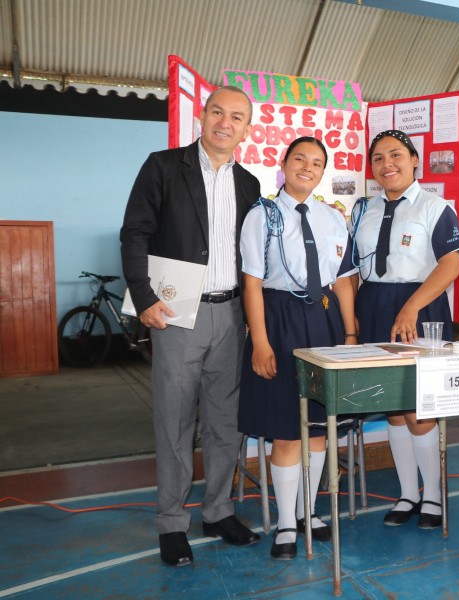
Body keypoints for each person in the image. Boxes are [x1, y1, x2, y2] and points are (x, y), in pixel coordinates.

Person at [120, 85, 261, 567]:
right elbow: (134, 231)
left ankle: (219, 510)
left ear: (247, 128)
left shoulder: (249, 184)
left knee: (225, 421)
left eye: (237, 116)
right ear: (202, 117)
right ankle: (172, 522)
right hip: (176, 313)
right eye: (218, 112)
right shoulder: (162, 166)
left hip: (232, 314)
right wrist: (143, 297)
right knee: (175, 419)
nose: (226, 122)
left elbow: (253, 257)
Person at [237, 137, 358, 560]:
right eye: (300, 159)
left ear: (323, 172)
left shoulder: (332, 218)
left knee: (320, 426)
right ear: (284, 163)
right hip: (278, 320)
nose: (308, 168)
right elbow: (252, 282)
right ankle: (286, 522)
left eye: (317, 163)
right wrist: (261, 341)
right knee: (288, 428)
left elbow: (343, 280)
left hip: (323, 321)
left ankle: (308, 512)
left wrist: (349, 334)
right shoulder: (262, 215)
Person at [350, 129, 459, 529]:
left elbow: (450, 263)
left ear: (415, 160)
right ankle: (406, 494)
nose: (388, 164)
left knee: (420, 407)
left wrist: (411, 307)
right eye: (379, 158)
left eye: (396, 155)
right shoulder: (362, 209)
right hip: (374, 306)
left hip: (420, 308)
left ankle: (432, 498)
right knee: (395, 409)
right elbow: (351, 268)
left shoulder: (435, 207)